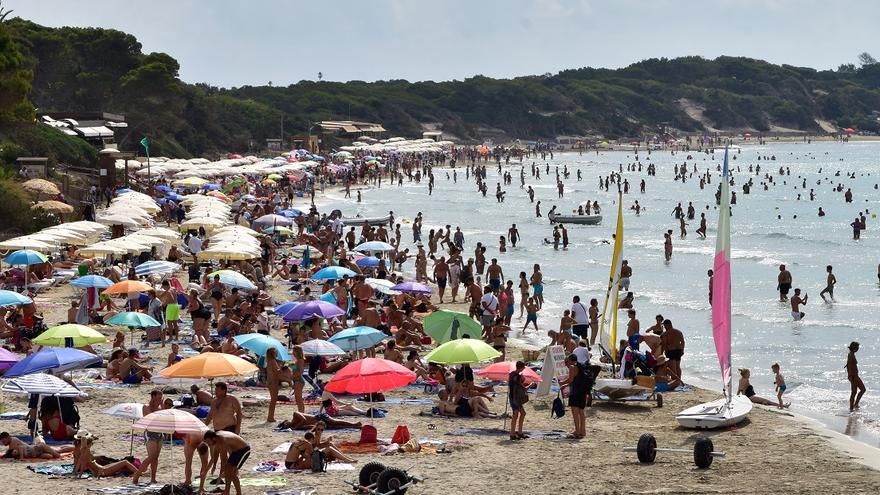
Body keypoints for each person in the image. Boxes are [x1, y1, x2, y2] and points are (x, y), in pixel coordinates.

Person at [558, 355, 595, 439]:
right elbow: (574, 380)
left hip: (576, 392)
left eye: (566, 361)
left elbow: (570, 380)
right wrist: (565, 385)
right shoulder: (580, 367)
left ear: (571, 361)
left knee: (575, 412)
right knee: (581, 412)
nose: (565, 364)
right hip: (583, 392)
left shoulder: (572, 367)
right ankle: (583, 431)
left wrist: (562, 383)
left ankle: (577, 431)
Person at [202, 430, 250, 495]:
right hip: (235, 452)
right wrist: (214, 465)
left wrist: (220, 475)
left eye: (208, 442)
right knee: (228, 472)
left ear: (213, 438)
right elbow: (216, 452)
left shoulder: (222, 440)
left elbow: (224, 460)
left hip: (243, 450)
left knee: (231, 473)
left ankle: (239, 493)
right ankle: (226, 492)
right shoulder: (216, 437)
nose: (208, 444)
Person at [73, 431, 138, 478]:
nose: (92, 445)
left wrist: (75, 473)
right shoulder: (87, 451)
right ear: (88, 444)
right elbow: (84, 463)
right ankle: (138, 473)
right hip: (102, 471)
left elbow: (80, 462)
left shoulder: (81, 451)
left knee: (117, 462)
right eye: (91, 443)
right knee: (125, 462)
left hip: (101, 469)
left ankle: (138, 472)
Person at [0, 432, 73, 459]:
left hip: (37, 448)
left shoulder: (13, 441)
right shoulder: (12, 443)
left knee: (58, 452)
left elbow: (10, 454)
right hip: (36, 452)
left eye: (4, 441)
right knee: (51, 455)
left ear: (8, 437)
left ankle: (75, 447)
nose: (3, 443)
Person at [508, 361, 529, 441]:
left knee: (519, 414)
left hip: (513, 397)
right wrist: (531, 384)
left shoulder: (512, 374)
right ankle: (514, 433)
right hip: (515, 398)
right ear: (522, 367)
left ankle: (517, 433)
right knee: (517, 414)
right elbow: (523, 387)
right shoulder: (517, 376)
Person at [659, 319, 684, 383]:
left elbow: (664, 344)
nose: (664, 327)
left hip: (671, 351)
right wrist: (682, 350)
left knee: (673, 367)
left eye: (664, 325)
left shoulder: (666, 334)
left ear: (668, 325)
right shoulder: (678, 332)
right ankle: (679, 379)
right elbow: (683, 342)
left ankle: (675, 381)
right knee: (678, 366)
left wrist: (661, 353)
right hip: (679, 351)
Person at [265, 347, 282, 423]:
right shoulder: (272, 361)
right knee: (273, 400)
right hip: (273, 382)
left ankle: (270, 416)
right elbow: (277, 372)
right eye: (275, 352)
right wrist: (283, 368)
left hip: (271, 382)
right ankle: (270, 417)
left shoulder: (269, 361)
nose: (276, 353)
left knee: (273, 400)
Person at [847, 342, 866, 412]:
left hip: (854, 375)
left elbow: (849, 366)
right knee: (856, 391)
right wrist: (851, 376)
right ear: (854, 348)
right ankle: (852, 407)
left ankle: (854, 405)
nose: (858, 348)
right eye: (857, 347)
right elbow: (849, 366)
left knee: (859, 390)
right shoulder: (851, 355)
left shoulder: (851, 354)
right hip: (854, 376)